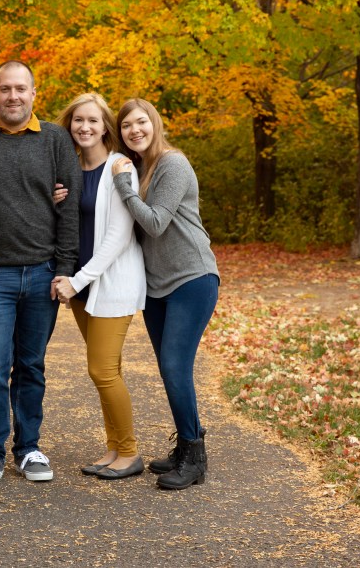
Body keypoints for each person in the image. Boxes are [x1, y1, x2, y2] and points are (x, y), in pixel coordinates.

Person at [0, 60, 81, 489]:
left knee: (31, 365)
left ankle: (28, 448)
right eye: (5, 89)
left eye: (21, 89)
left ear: (34, 93)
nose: (13, 97)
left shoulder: (55, 140)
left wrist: (63, 270)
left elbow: (69, 211)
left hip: (42, 272)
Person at [111, 98, 220, 490]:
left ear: (155, 124)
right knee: (169, 368)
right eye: (126, 126)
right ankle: (187, 442)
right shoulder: (136, 167)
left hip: (192, 277)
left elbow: (155, 223)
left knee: (175, 366)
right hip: (156, 285)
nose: (134, 130)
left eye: (141, 122)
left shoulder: (173, 163)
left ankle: (195, 457)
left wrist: (124, 187)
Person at [50, 93, 147, 480]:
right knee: (108, 371)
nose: (84, 127)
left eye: (93, 120)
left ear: (106, 125)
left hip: (109, 283)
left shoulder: (119, 167)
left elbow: (119, 236)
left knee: (103, 371)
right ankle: (114, 448)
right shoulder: (70, 168)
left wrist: (78, 280)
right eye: (77, 120)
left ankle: (130, 452)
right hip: (80, 287)